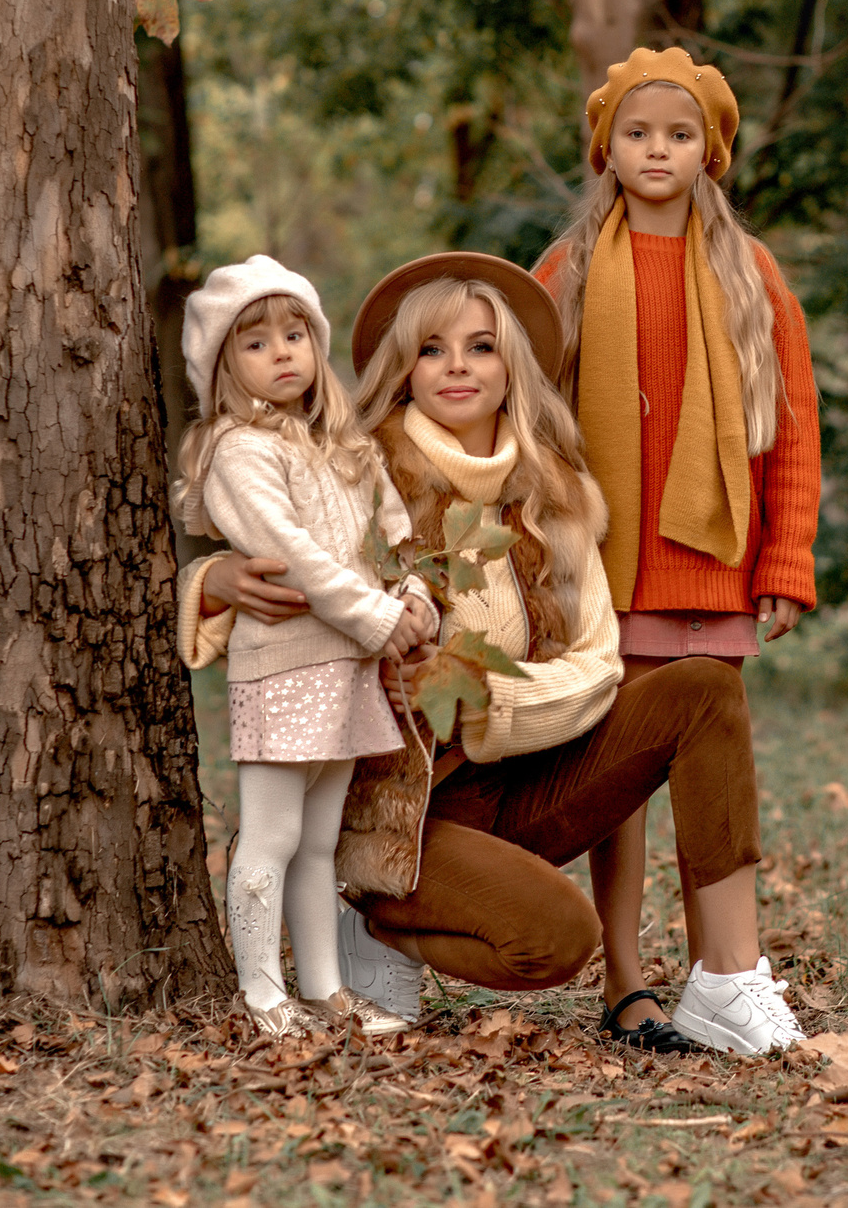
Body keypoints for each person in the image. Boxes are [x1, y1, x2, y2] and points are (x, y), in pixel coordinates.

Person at [180, 253, 805, 1055]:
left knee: (703, 686)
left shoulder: (560, 492)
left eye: (480, 346)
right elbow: (272, 533)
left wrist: (491, 702)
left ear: (512, 362)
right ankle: (382, 927)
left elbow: (598, 661)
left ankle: (727, 977)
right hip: (408, 814)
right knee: (552, 940)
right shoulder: (356, 461)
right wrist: (214, 577)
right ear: (403, 367)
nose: (457, 367)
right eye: (433, 348)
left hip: (526, 773)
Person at [533, 46, 821, 1047]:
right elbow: (515, 423)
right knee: (617, 781)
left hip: (711, 568)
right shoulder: (565, 273)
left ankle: (723, 973)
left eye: (680, 133)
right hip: (602, 573)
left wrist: (785, 560)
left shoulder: (749, 271)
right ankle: (624, 980)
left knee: (710, 771)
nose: (658, 149)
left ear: (713, 153)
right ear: (605, 149)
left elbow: (791, 424)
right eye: (637, 132)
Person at [173, 256, 437, 1040]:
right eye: (255, 343)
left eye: (296, 334)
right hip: (285, 663)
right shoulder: (238, 451)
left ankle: (325, 988)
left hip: (350, 668)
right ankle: (261, 992)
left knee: (320, 839)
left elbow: (395, 535)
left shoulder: (345, 446)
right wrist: (375, 617)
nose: (282, 352)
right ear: (222, 366)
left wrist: (415, 596)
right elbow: (289, 553)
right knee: (273, 832)